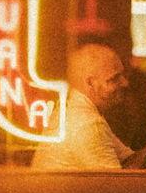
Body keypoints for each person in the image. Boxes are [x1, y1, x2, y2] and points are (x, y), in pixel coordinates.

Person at [31, 43, 133, 172]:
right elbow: (120, 185)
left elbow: (128, 160)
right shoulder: (88, 123)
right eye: (114, 78)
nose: (125, 82)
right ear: (91, 83)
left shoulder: (77, 111)